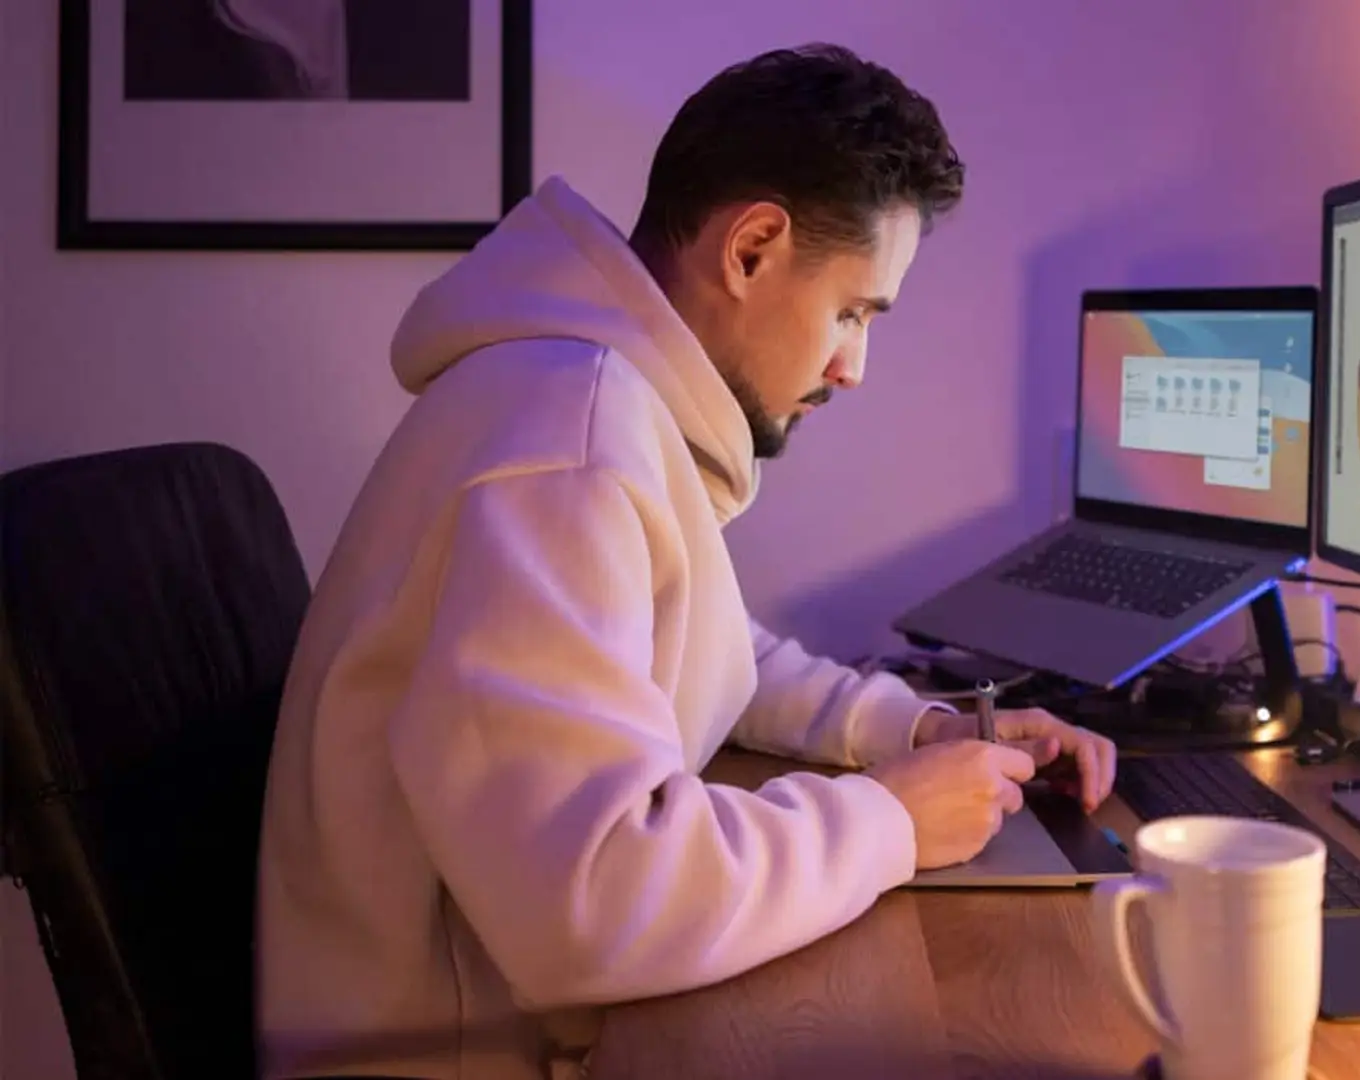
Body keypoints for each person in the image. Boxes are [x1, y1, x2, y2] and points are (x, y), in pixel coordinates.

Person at [254, 43, 1118, 1080]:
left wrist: (913, 725)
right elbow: (592, 898)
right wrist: (889, 821)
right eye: (852, 312)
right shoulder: (566, 443)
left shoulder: (585, 394)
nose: (854, 367)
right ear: (752, 248)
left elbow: (698, 639)